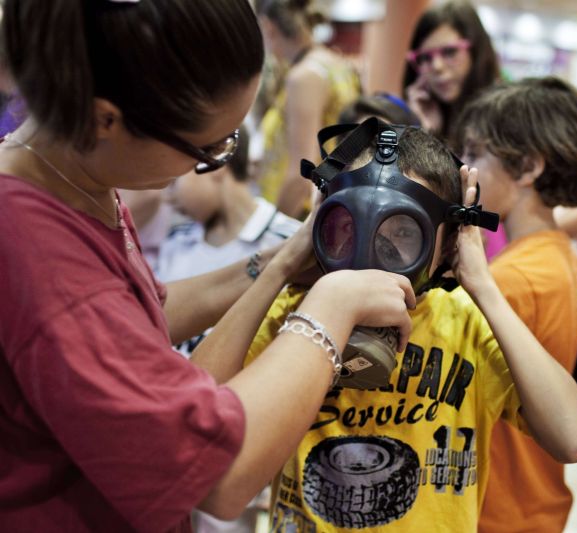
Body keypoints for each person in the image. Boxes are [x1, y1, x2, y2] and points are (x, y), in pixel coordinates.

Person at [0, 1, 415, 531]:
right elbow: (222, 478)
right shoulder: (42, 255)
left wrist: (281, 262)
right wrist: (330, 310)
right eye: (208, 151)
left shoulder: (73, 180)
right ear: (104, 118)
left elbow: (139, 317)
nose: (217, 160)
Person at [244, 119, 577, 531]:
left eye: (402, 235)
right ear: (321, 225)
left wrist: (483, 287)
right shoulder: (296, 317)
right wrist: (285, 271)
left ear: (447, 244)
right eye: (346, 229)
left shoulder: (467, 322)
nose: (368, 255)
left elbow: (572, 437)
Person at [454, 77, 577, 532]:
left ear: (526, 167)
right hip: (531, 501)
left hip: (497, 507)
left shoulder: (514, 278)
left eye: (474, 153)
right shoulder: (554, 252)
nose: (463, 167)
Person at [158, 125, 301, 359]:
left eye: (174, 181)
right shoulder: (176, 241)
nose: (167, 195)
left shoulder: (290, 244)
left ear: (215, 160)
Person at [257, 0, 361, 219]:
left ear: (268, 26)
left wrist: (271, 229)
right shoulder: (335, 64)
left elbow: (300, 174)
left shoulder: (304, 77)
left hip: (300, 213)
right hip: (331, 200)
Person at [403, 0, 499, 146]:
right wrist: (426, 132)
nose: (437, 66)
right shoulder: (419, 113)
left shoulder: (504, 118)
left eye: (449, 52)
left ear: (476, 51)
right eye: (425, 57)